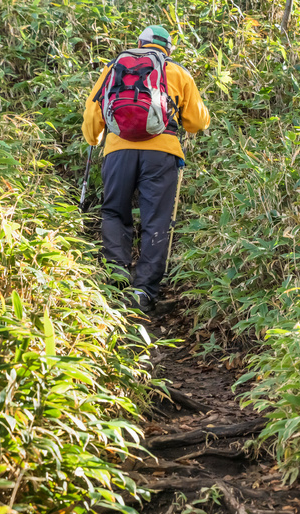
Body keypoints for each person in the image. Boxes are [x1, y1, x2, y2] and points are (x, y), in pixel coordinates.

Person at [82, 25, 210, 314]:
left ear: (138, 43)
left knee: (115, 212)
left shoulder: (114, 67)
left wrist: (95, 138)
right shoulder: (177, 72)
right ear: (168, 49)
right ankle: (143, 292)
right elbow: (198, 123)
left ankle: (116, 281)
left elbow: (93, 113)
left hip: (118, 150)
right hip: (162, 153)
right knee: (157, 220)